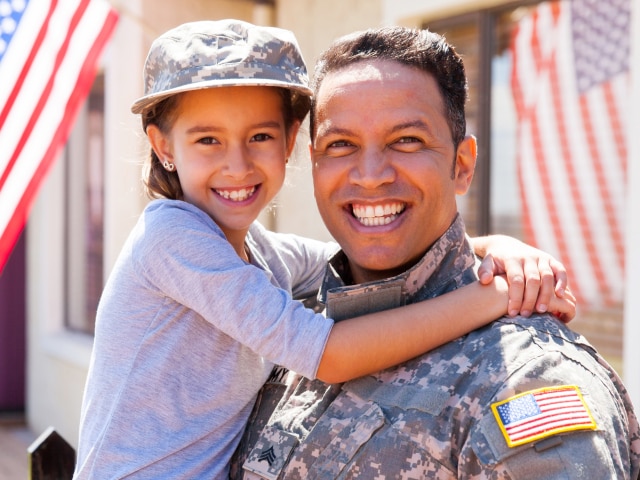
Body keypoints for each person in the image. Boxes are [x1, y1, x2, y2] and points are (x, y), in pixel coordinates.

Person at [74, 20, 573, 479]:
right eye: (207, 140)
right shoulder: (171, 238)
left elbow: (366, 253)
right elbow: (326, 353)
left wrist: (500, 246)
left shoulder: (260, 255)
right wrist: (493, 298)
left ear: (291, 141)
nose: (237, 165)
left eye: (260, 137)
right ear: (163, 147)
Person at [230, 26, 640, 479]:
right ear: (314, 164)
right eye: (340, 145)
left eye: (406, 140)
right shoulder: (286, 332)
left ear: (461, 165)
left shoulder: (527, 378)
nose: (369, 176)